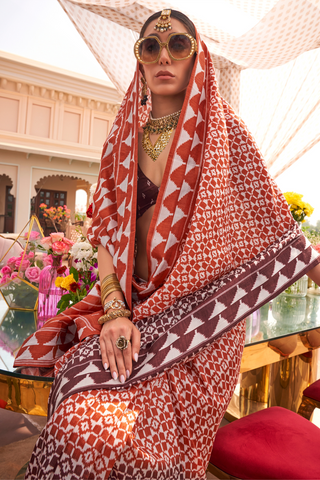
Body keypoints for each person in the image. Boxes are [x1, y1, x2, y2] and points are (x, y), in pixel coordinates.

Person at [14, 9, 320, 480]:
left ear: (197, 57)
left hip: (203, 325)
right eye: (150, 47)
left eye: (178, 45)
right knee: (77, 415)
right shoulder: (122, 137)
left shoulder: (226, 136)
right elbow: (105, 235)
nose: (164, 56)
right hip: (130, 310)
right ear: (139, 59)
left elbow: (284, 233)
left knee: (136, 445)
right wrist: (115, 310)